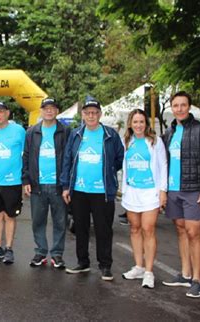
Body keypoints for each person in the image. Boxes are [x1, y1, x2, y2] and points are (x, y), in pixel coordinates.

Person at [61, 96, 124, 281]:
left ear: (100, 114)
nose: (91, 116)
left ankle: (105, 265)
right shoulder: (76, 134)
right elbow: (68, 161)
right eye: (88, 113)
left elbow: (119, 159)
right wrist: (66, 186)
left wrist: (108, 172)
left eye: (94, 113)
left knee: (103, 229)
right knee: (80, 228)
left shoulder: (110, 135)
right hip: (79, 190)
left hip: (102, 192)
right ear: (83, 115)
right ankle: (83, 262)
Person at [161, 91, 200, 298]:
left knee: (194, 233)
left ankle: (196, 280)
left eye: (183, 105)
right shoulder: (169, 132)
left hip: (194, 189)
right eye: (176, 105)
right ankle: (184, 274)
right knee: (181, 230)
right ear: (172, 109)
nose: (180, 109)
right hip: (174, 189)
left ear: (189, 107)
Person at [120, 109, 167, 289]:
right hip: (132, 192)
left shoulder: (155, 142)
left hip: (150, 192)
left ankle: (149, 272)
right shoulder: (127, 142)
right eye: (135, 122)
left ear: (146, 124)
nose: (138, 125)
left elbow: (163, 165)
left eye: (141, 122)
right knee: (135, 229)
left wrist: (163, 191)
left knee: (148, 229)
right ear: (130, 124)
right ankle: (138, 266)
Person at [23, 98, 69, 268]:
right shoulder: (32, 132)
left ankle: (57, 254)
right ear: (41, 111)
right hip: (37, 184)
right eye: (46, 108)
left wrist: (66, 184)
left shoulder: (65, 131)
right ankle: (40, 252)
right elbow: (26, 156)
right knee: (38, 221)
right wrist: (26, 179)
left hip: (58, 184)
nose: (49, 111)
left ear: (57, 111)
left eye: (52, 108)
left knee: (60, 222)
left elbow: (69, 158)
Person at [0, 102, 26, 264]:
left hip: (13, 181)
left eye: (1, 112)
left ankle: (9, 249)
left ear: (7, 113)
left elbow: (25, 153)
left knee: (9, 216)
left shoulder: (19, 131)